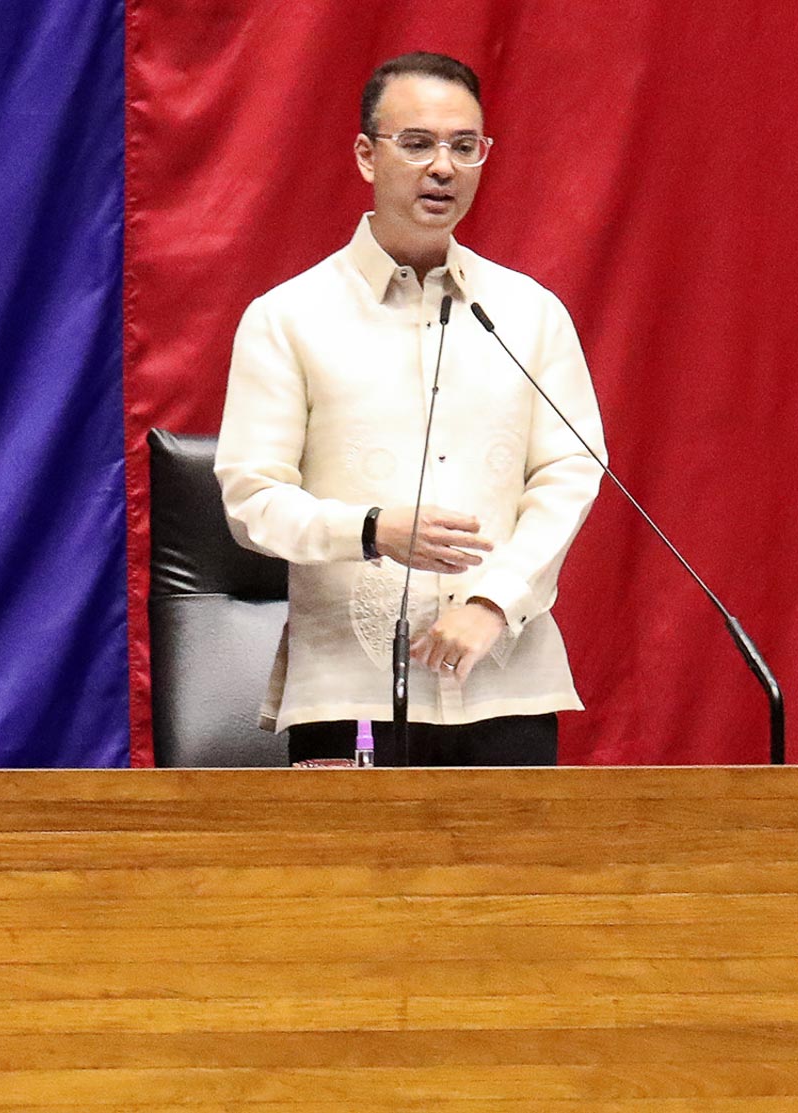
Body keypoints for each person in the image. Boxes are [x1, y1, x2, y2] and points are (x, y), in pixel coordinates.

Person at [213, 52, 605, 766]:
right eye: (417, 144)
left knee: (516, 883)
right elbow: (251, 498)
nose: (443, 168)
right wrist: (370, 529)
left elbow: (571, 472)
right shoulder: (287, 318)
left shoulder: (528, 313)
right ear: (367, 155)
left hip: (505, 686)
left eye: (464, 147)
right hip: (348, 694)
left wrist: (494, 602)